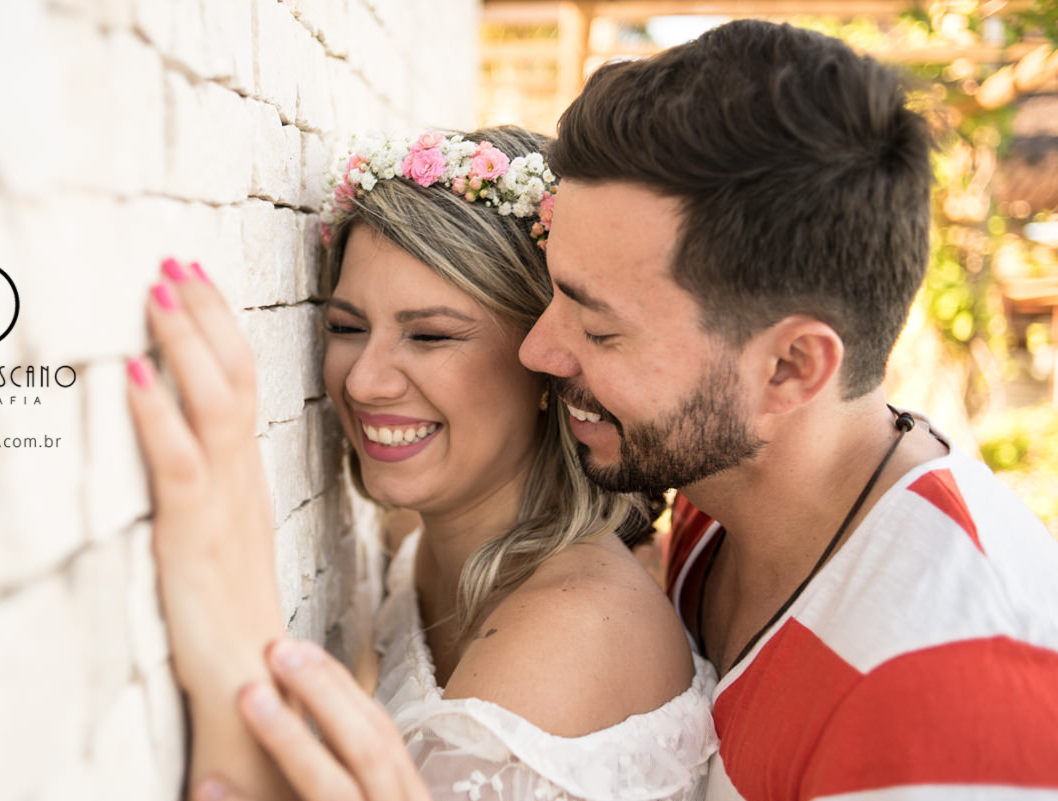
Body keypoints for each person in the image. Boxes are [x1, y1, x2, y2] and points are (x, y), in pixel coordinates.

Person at [192, 19, 1058, 801]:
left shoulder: (959, 690)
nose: (538, 350)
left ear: (791, 368)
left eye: (598, 329)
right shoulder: (715, 490)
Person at [126, 125, 717, 801]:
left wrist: (236, 608)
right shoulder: (424, 537)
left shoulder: (567, 644)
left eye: (430, 335)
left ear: (549, 363)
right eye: (347, 327)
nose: (363, 382)